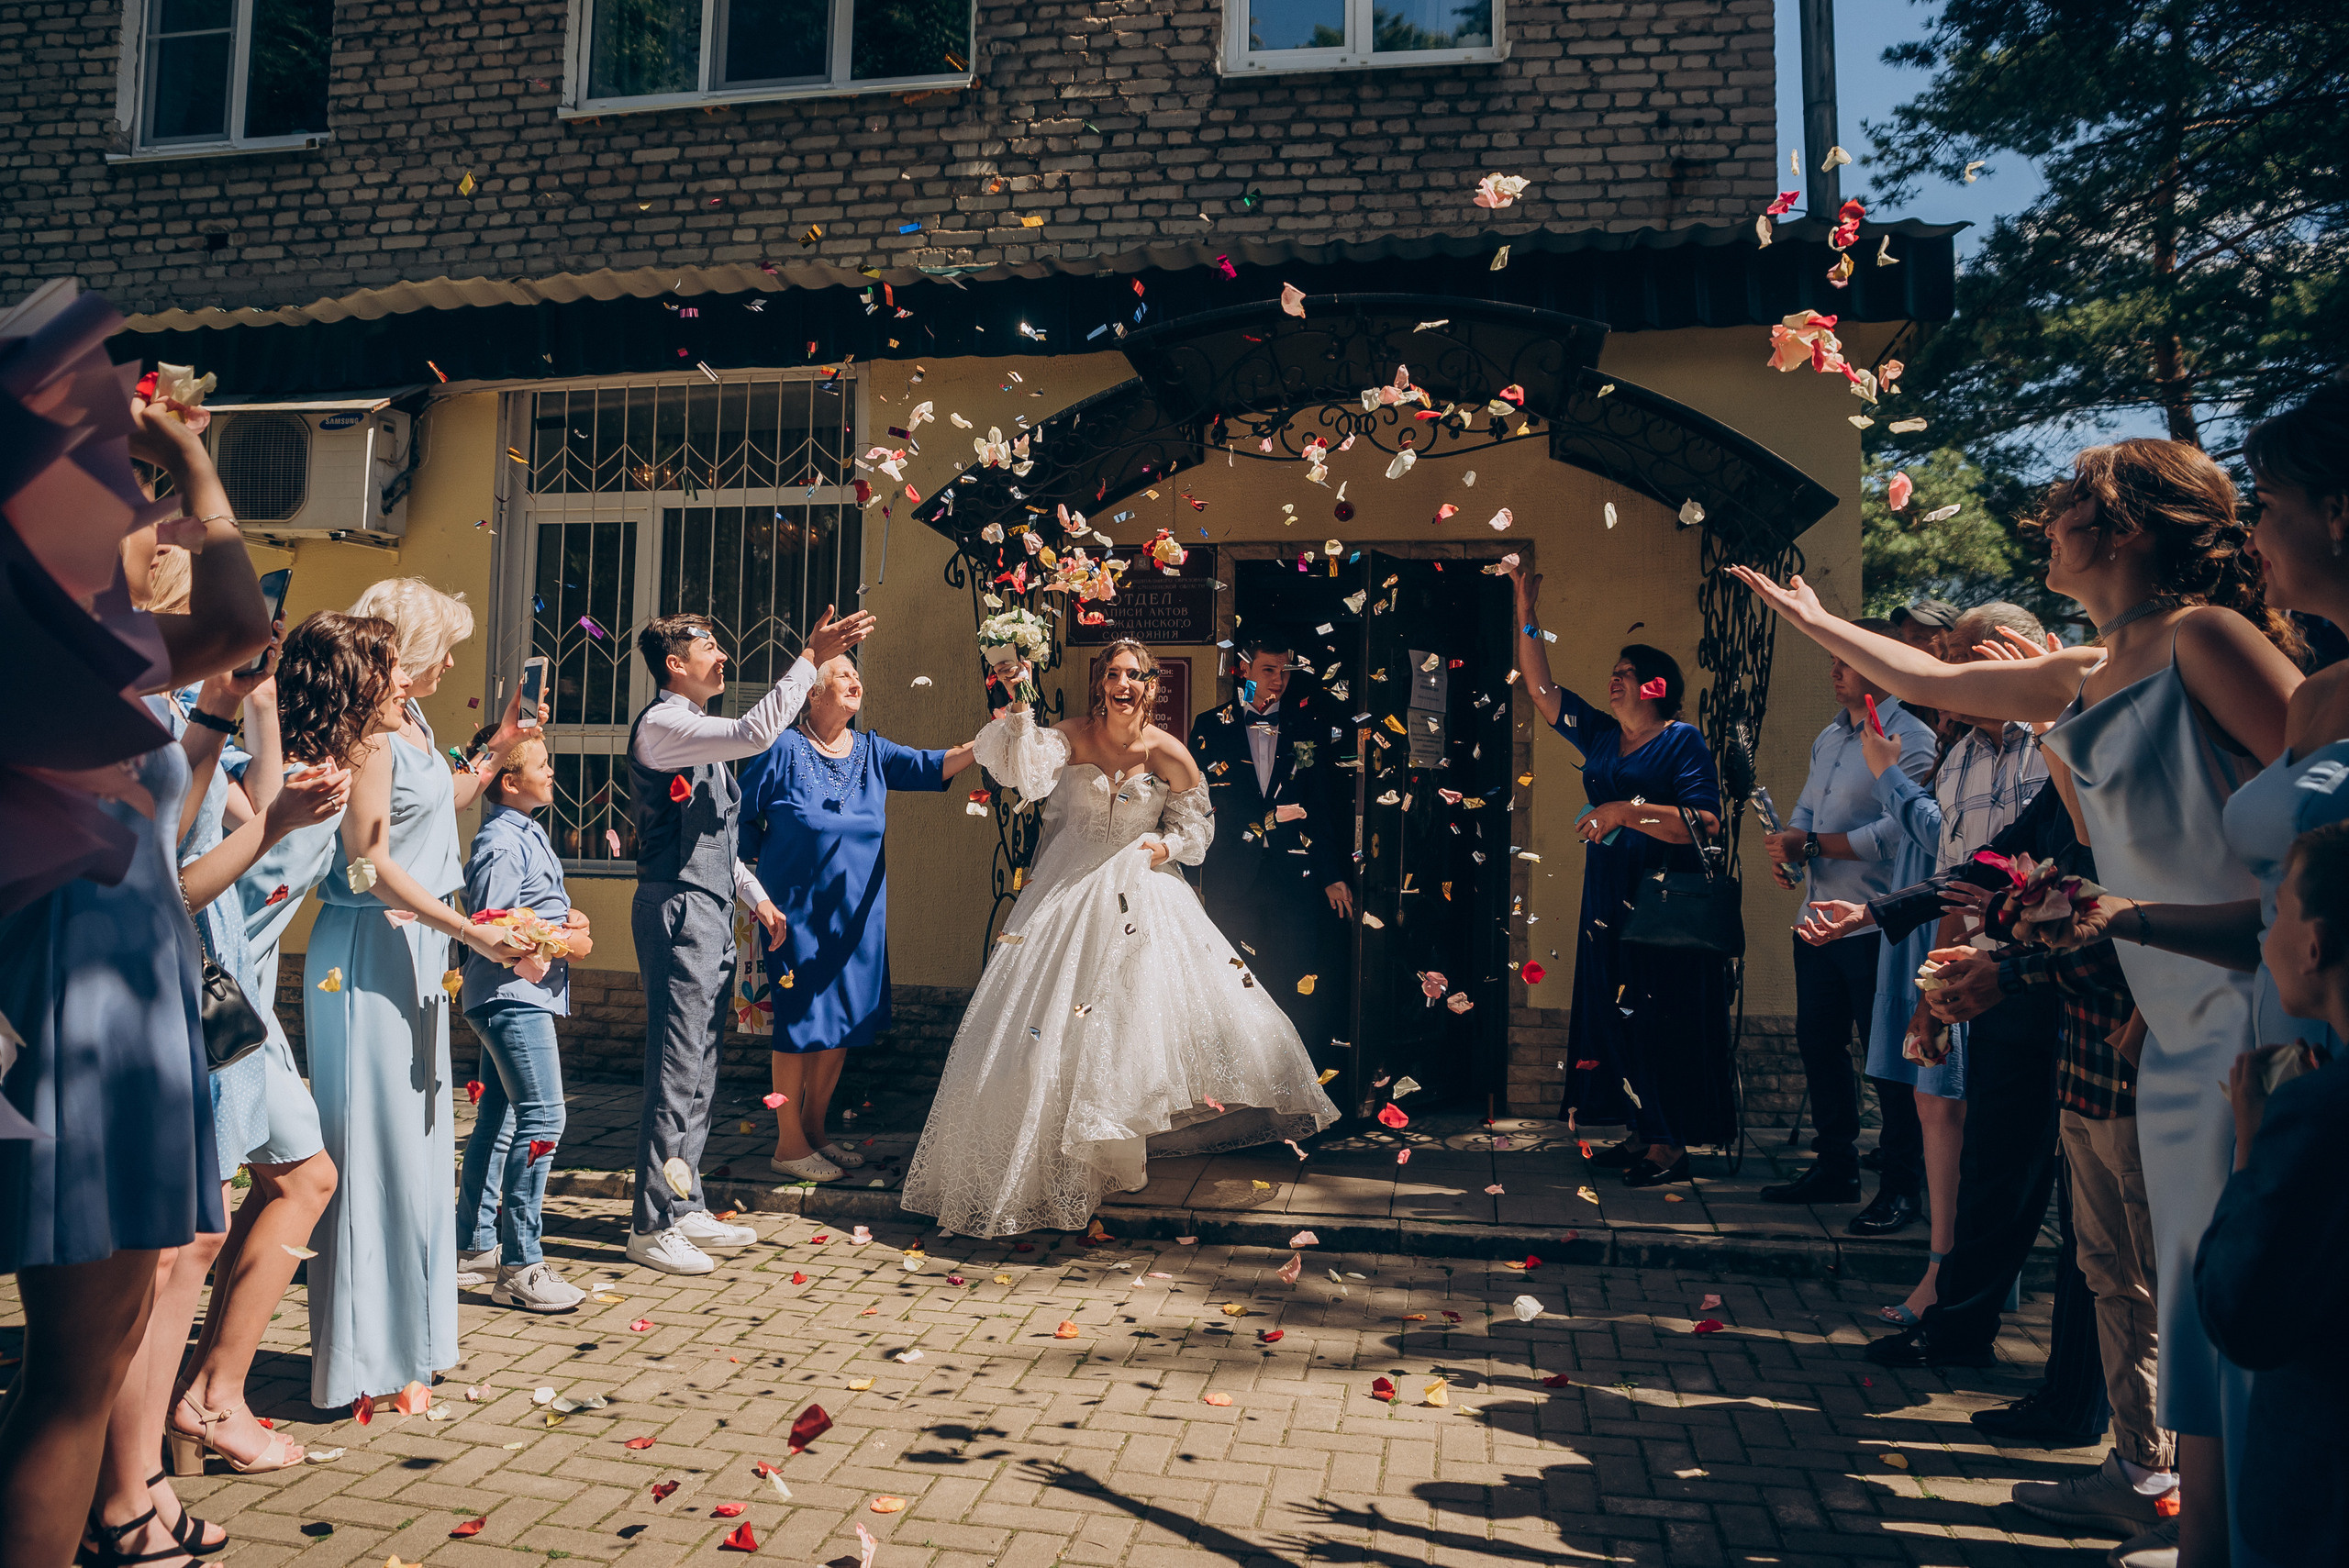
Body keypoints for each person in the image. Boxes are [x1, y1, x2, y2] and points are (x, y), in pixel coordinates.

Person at [1731, 436, 2304, 1568]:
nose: (2044, 521)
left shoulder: (2204, 637)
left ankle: (2258, 1526)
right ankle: (2199, 1526)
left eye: (2063, 505)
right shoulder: (2091, 667)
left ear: (2125, 527)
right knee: (2187, 1291)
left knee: (2231, 1289)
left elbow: (2315, 781)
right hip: (2159, 1008)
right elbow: (1932, 684)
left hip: (2242, 997)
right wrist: (1811, 620)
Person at [0, 392, 273, 1568]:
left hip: (120, 996)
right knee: (71, 1370)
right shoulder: (39, 645)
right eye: (122, 494)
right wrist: (195, 459)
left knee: (88, 1357)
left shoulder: (67, 647)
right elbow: (239, 616)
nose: (150, 519)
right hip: (81, 1002)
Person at [899, 639, 1339, 1237]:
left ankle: (1107, 1154)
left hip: (1138, 890)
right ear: (1100, 683)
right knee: (1044, 1033)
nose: (1124, 683)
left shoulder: (1169, 751)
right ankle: (1040, 1165)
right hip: (1062, 894)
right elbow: (1024, 772)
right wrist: (1020, 698)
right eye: (1113, 674)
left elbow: (1198, 828)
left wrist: (1166, 846)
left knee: (1121, 1034)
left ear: (1152, 685)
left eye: (1135, 674)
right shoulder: (1072, 735)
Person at [168, 614, 398, 1478]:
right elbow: (252, 837)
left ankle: (203, 1395)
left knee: (293, 1182)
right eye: (394, 673)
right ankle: (202, 1401)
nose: (409, 687)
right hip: (219, 1014)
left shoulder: (321, 773)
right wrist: (257, 712)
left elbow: (353, 860)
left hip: (245, 1015)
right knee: (238, 1207)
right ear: (356, 685)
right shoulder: (280, 776)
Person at [302, 578, 533, 1411]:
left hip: (420, 945)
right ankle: (366, 1359)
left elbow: (443, 802)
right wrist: (470, 931)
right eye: (442, 650)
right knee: (374, 1153)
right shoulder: (366, 734)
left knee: (420, 1153)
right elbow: (367, 859)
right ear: (402, 649)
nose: (447, 665)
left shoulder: (416, 723)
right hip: (369, 946)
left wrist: (498, 747)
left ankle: (411, 1346)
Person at [625, 606, 874, 1275]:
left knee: (702, 1068)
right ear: (675, 662)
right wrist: (810, 653)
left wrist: (756, 898)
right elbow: (758, 729)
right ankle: (650, 1222)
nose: (724, 656)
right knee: (676, 1070)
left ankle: (683, 1201)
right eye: (711, 644)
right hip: (676, 909)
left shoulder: (697, 732)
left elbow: (718, 841)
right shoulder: (664, 722)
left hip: (709, 909)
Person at [1508, 562, 1733, 1184]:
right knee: (1616, 1010)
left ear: (1656, 686)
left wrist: (1622, 811)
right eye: (1612, 674)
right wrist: (1526, 609)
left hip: (1658, 898)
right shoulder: (1604, 737)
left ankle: (1671, 1142)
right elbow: (1541, 689)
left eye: (1626, 674)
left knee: (1657, 1013)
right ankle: (1641, 1129)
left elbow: (1705, 822)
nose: (1614, 681)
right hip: (1607, 892)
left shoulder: (1682, 741)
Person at [737, 655, 976, 1182]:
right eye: (841, 675)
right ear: (812, 694)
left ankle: (816, 1132)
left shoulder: (871, 750)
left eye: (856, 675)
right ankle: (789, 1145)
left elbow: (929, 764)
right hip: (793, 915)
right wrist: (757, 889)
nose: (854, 681)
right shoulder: (779, 749)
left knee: (841, 1022)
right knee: (799, 1024)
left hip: (858, 918)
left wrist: (986, 745)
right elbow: (738, 821)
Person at [2197, 821, 2349, 1568]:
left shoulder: (2318, 1114)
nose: (2265, 934)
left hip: (2319, 1500)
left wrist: (2252, 1141)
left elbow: (2239, 1309)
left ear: (2314, 945)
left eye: (2278, 910)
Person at [1760, 632, 1936, 1208]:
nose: (1835, 669)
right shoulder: (1832, 733)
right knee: (1819, 1046)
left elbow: (1892, 837)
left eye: (1849, 659)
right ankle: (1835, 1169)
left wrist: (1807, 845)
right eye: (1833, 659)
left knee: (1887, 1062)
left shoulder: (1912, 737)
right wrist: (1792, 848)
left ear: (1884, 666)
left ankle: (1900, 1187)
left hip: (1876, 925)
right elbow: (1807, 812)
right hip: (1817, 923)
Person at [453, 727, 594, 1312]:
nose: (553, 771)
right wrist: (565, 936)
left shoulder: (525, 831)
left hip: (516, 994)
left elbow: (526, 907)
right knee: (544, 1119)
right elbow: (491, 922)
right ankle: (522, 1261)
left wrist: (564, 917)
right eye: (541, 764)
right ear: (510, 783)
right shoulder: (501, 843)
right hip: (512, 996)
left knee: (500, 1116)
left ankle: (475, 1243)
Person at [1186, 634, 1353, 1052]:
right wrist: (1191, 877)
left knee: (1291, 980)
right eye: (1269, 670)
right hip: (1229, 877)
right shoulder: (1209, 726)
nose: (1279, 681)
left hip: (1292, 879)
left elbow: (1318, 804)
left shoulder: (1307, 730)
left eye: (1285, 671)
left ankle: (1292, 1081)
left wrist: (1332, 874)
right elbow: (1193, 805)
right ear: (1243, 669)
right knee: (1231, 981)